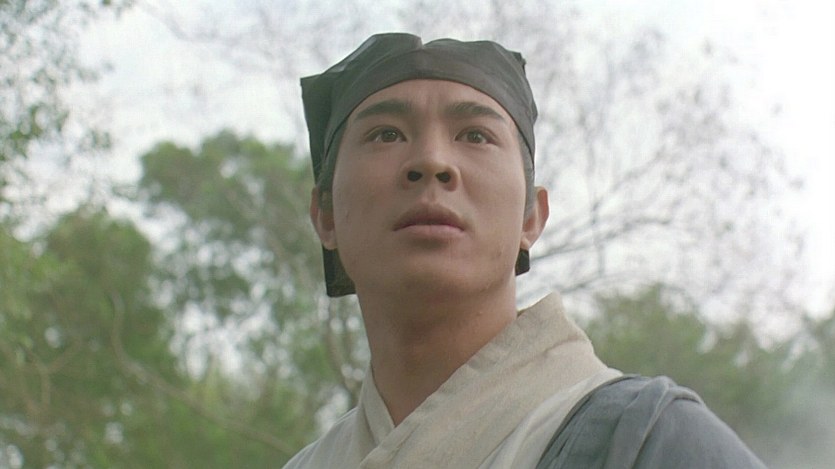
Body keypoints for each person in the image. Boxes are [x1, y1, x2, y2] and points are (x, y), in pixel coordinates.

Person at [285, 33, 766, 468]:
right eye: (386, 134)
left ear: (531, 218)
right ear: (325, 216)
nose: (431, 161)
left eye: (475, 136)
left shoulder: (650, 441)